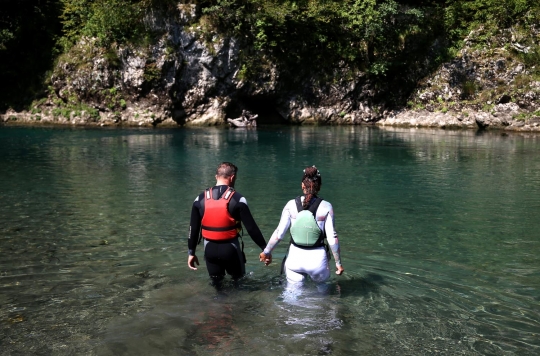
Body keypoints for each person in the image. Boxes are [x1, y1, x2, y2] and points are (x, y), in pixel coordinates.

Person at [188, 162, 269, 287]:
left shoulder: (199, 199)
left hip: (209, 249)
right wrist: (265, 249)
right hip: (230, 248)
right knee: (239, 283)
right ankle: (236, 306)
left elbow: (193, 229)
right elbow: (251, 228)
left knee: (217, 285)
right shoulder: (238, 199)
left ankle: (217, 305)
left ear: (216, 177)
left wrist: (191, 253)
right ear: (232, 177)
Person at [259, 165, 344, 285]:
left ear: (302, 185)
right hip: (317, 261)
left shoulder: (290, 205)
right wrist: (338, 263)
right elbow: (332, 238)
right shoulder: (326, 206)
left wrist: (267, 252)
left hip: (295, 258)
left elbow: (279, 234)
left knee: (291, 298)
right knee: (321, 299)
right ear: (319, 186)